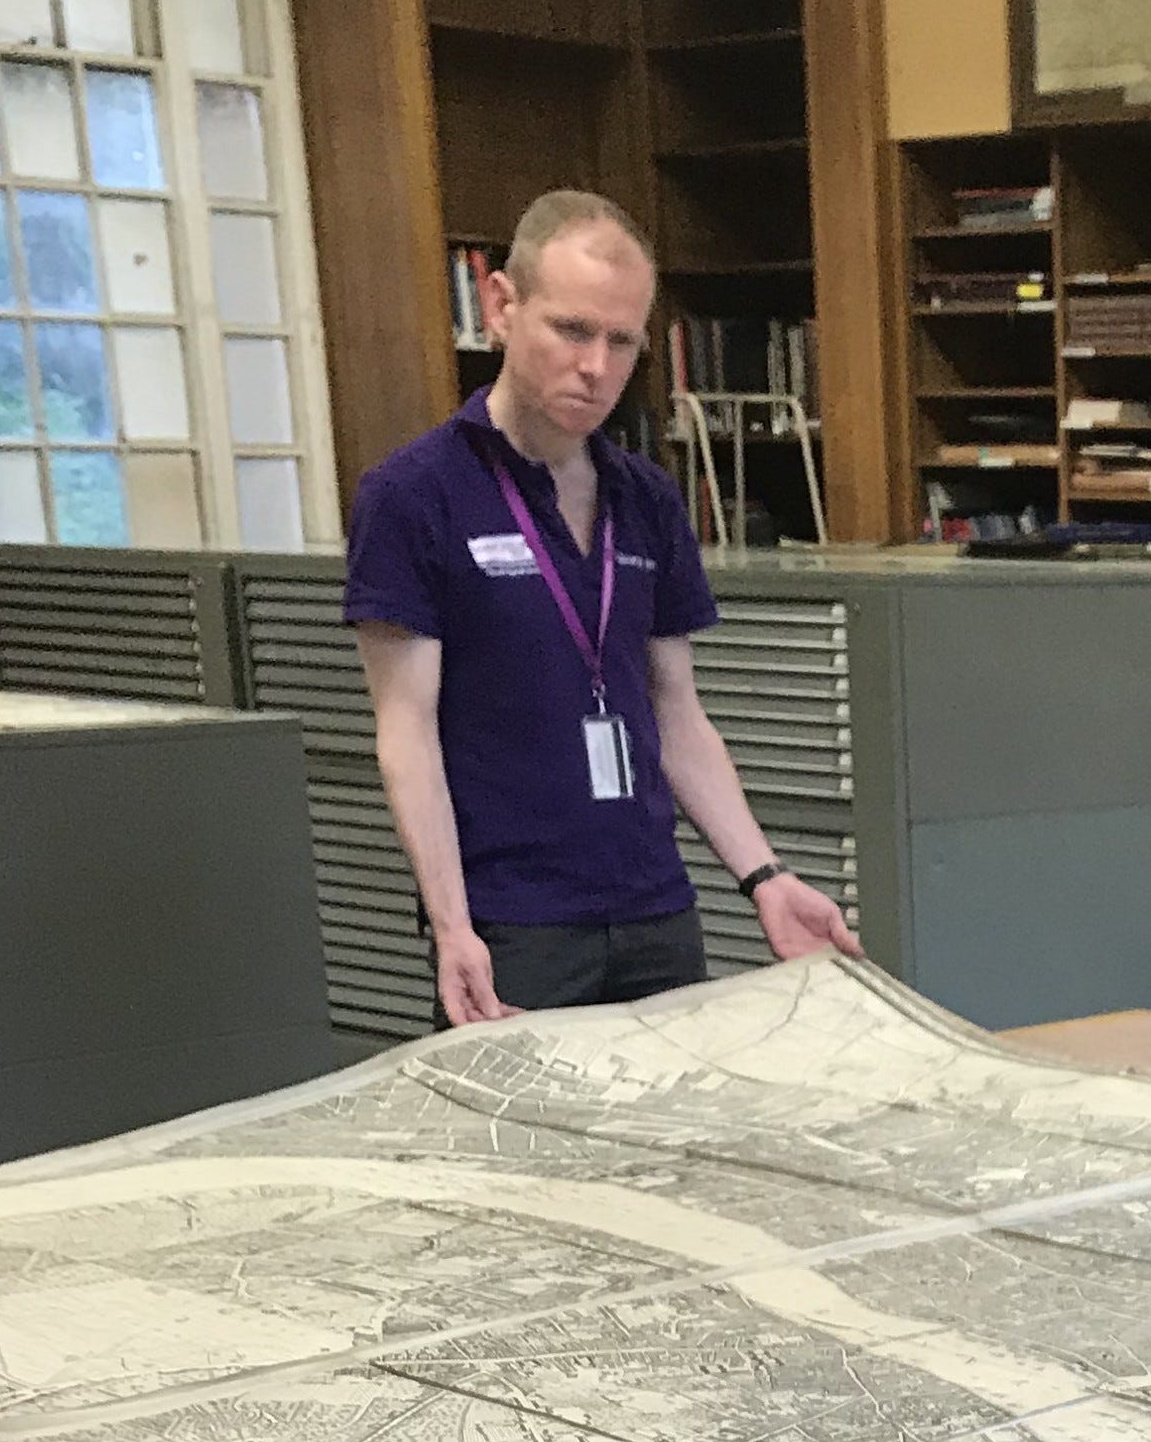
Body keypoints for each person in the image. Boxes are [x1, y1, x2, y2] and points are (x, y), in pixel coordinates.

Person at [343, 186, 854, 1027]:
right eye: (572, 331)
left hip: (655, 908)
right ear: (504, 307)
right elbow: (407, 731)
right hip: (516, 922)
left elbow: (676, 714)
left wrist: (764, 877)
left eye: (622, 342)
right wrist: (452, 927)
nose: (596, 367)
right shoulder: (413, 496)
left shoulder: (647, 498)